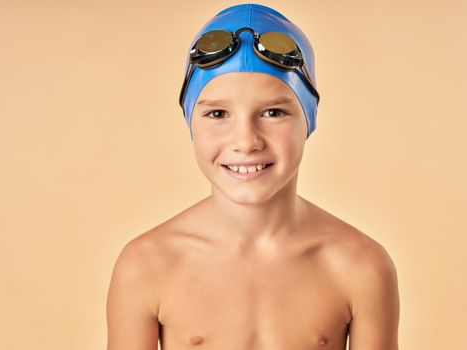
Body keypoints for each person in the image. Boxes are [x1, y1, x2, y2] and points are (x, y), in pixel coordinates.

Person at [106, 3, 400, 350]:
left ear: (309, 118)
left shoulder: (360, 265)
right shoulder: (148, 264)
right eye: (218, 113)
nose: (246, 141)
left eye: (273, 112)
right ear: (190, 122)